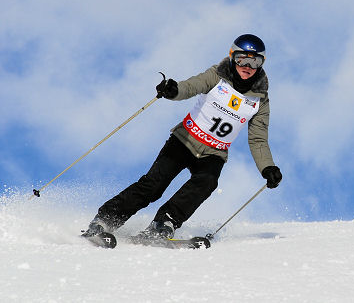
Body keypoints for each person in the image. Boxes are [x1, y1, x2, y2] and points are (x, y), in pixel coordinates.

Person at [82, 34, 282, 240]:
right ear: (232, 57)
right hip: (184, 140)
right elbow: (191, 86)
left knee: (207, 182)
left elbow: (258, 139)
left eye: (254, 61)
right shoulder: (216, 75)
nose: (247, 65)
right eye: (242, 59)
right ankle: (105, 220)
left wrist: (267, 167)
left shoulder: (259, 100)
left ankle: (163, 223)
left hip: (214, 152)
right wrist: (173, 90)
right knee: (153, 186)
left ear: (261, 64)